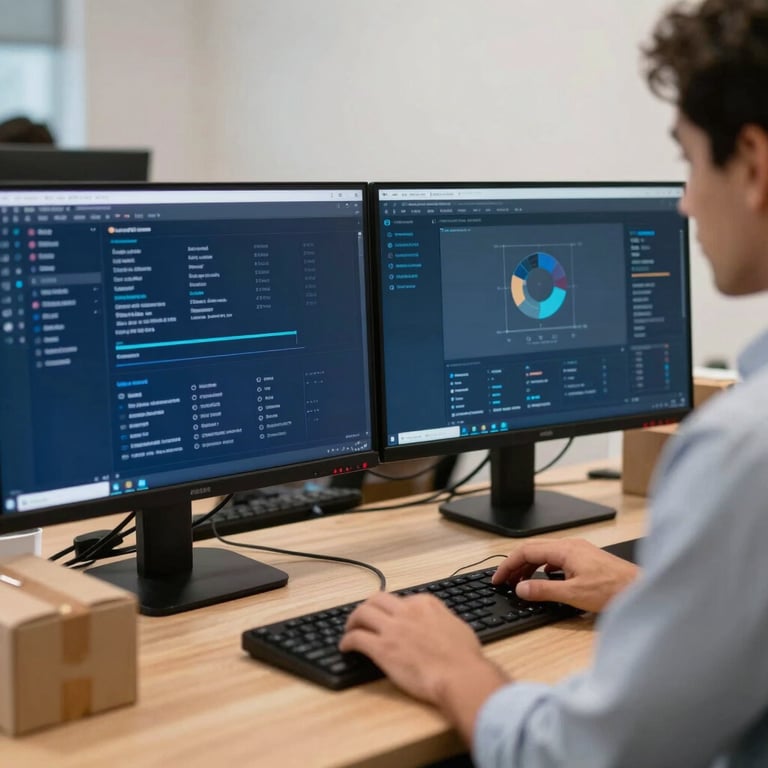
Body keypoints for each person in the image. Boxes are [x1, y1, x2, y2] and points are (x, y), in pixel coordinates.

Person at [340, 1, 768, 765]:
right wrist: (655, 601)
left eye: (690, 162)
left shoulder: (744, 450)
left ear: (754, 165)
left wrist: (454, 667)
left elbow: (586, 755)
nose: (685, 201)